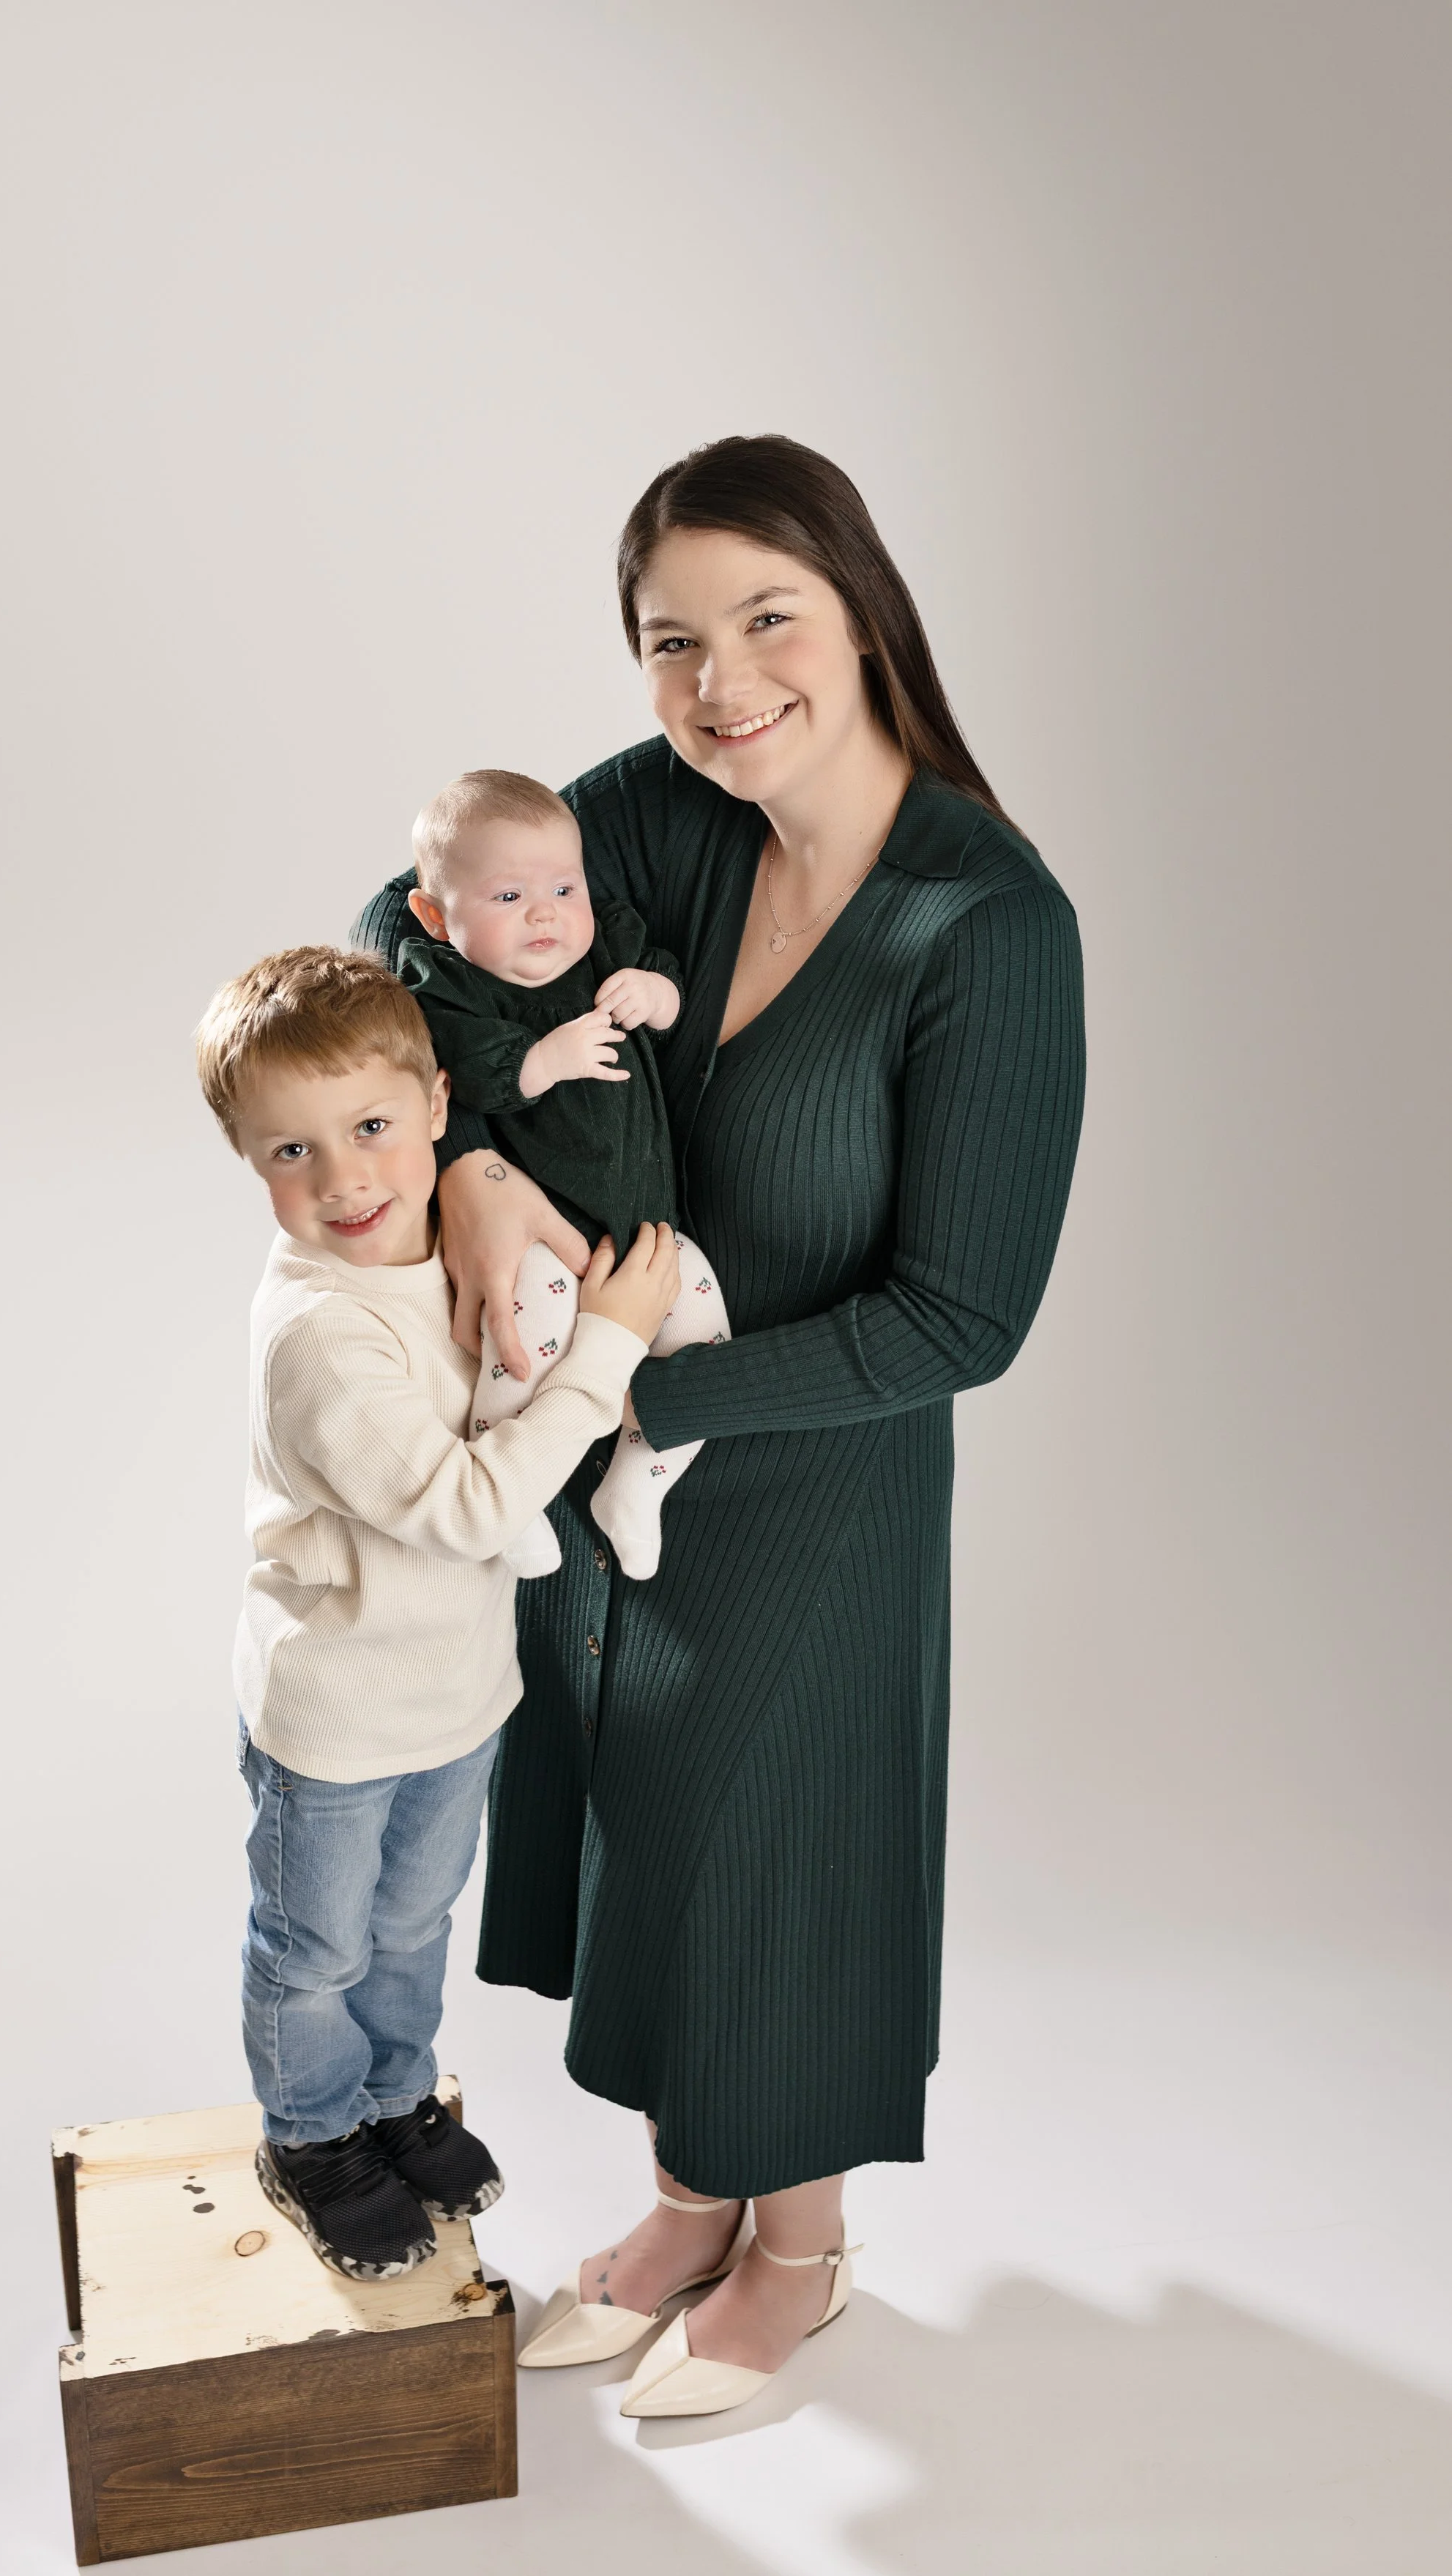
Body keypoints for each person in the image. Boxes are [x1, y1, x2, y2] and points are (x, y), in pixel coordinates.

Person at [354, 434, 1085, 2414]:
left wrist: (630, 1384)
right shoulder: (666, 816)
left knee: (781, 1869)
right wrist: (476, 1172)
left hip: (808, 1479)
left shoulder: (983, 920)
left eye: (766, 619)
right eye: (670, 640)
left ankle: (799, 2249)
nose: (718, 681)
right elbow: (405, 920)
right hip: (597, 1479)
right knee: (655, 1842)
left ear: (863, 611)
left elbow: (963, 1314)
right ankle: (689, 2206)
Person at [193, 944, 680, 2280]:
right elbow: (468, 1506)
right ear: (247, 1159)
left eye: (370, 1128)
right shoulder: (322, 1335)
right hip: (336, 1715)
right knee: (315, 1950)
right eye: (291, 1151)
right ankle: (311, 2135)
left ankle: (394, 2098)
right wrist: (607, 1348)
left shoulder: (447, 1244)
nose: (344, 1179)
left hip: (456, 1691)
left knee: (412, 1927)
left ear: (437, 1105)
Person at [397, 766, 732, 1581]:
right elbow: (457, 1070)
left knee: (707, 1346)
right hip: (542, 1241)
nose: (544, 912)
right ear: (436, 917)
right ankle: (507, 1496)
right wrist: (544, 1059)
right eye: (508, 896)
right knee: (519, 1352)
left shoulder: (606, 948)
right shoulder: (451, 987)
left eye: (562, 888)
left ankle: (637, 1484)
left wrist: (656, 994)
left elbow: (675, 996)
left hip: (647, 1235)